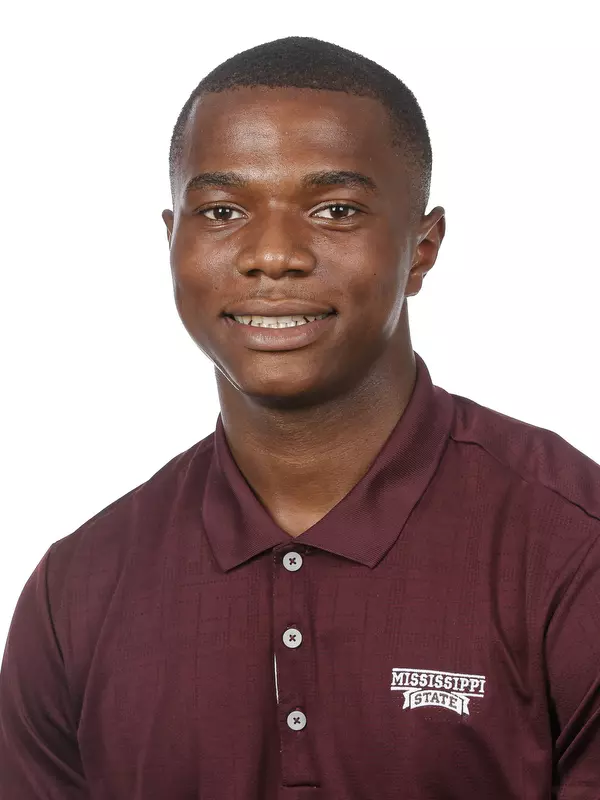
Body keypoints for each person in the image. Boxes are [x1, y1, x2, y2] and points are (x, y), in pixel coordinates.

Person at [1, 35, 599, 800]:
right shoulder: (76, 590)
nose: (273, 256)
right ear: (172, 240)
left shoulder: (573, 548)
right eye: (221, 210)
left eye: (335, 210)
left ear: (422, 249)